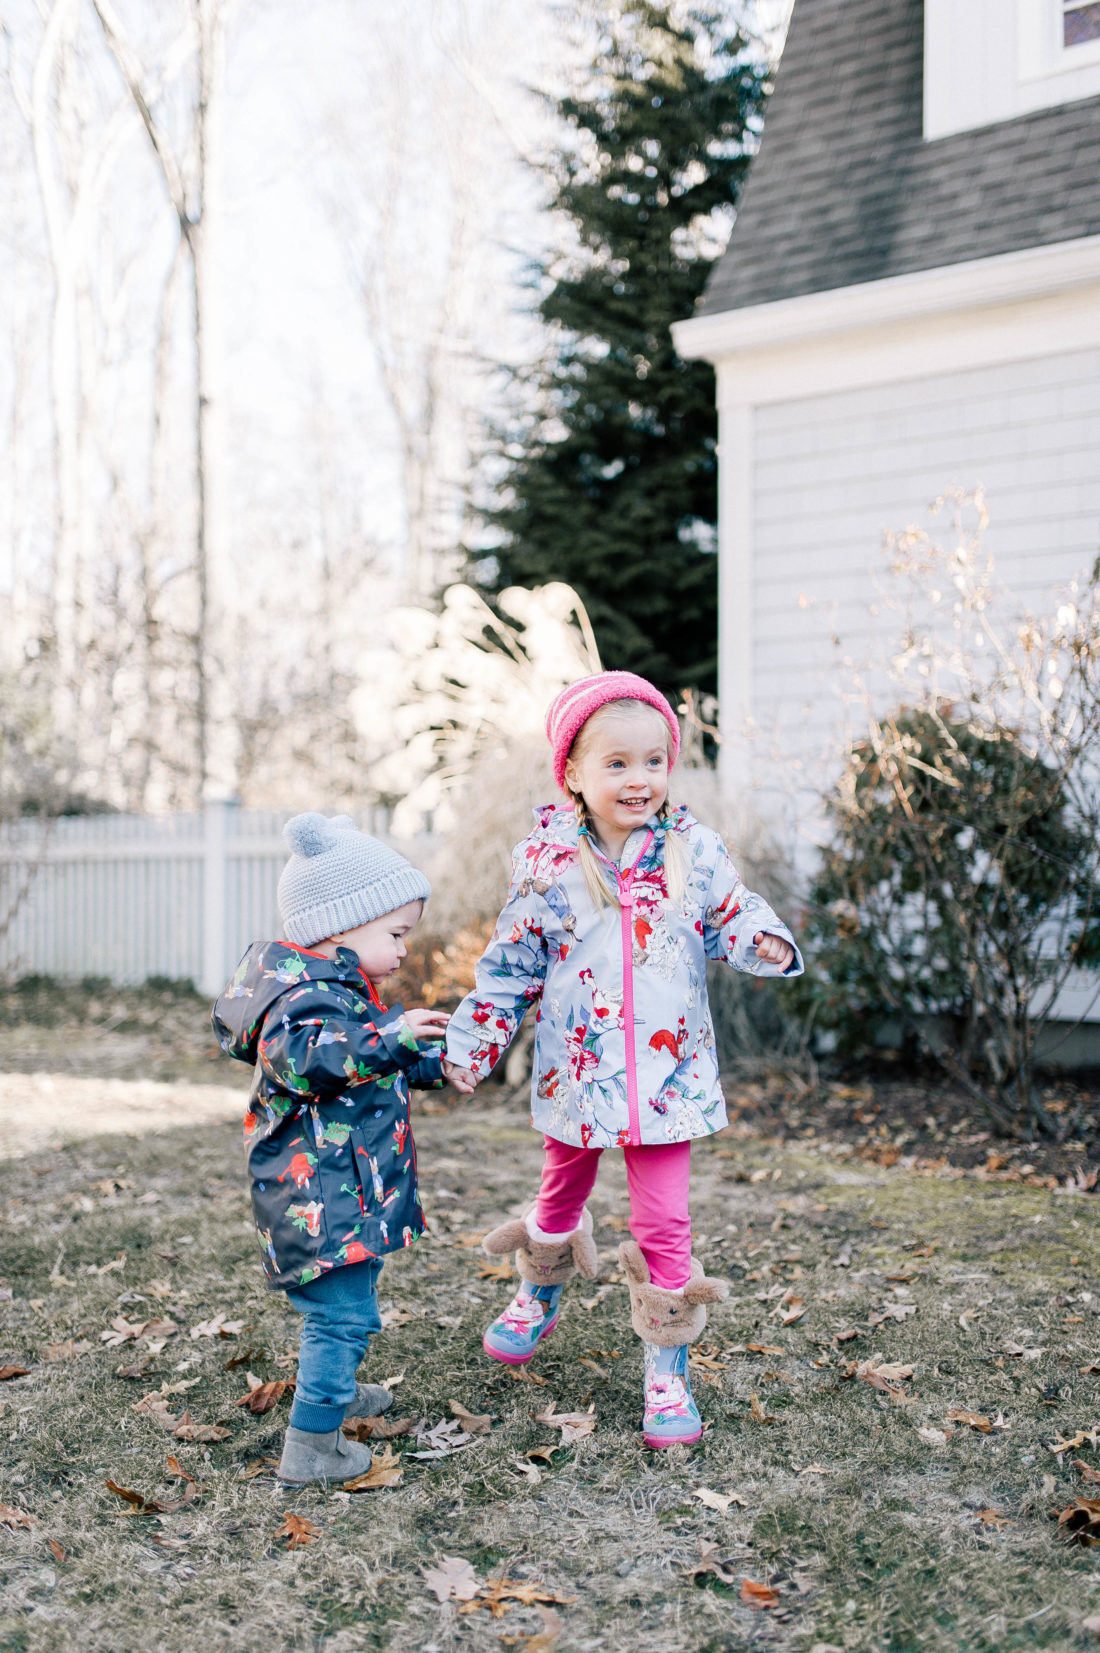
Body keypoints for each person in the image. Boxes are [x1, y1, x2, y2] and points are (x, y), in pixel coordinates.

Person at [442, 671, 803, 1448]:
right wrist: (475, 1040)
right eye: (617, 763)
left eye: (653, 761)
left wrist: (762, 939)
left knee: (664, 1221)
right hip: (579, 1070)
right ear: (572, 771)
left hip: (670, 1076)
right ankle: (539, 1290)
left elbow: (730, 912)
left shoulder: (691, 849)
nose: (638, 779)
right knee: (561, 1190)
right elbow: (509, 966)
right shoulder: (547, 866)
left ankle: (667, 1369)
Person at [212, 811, 448, 1486]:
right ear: (339, 927)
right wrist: (393, 1036)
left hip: (345, 1183)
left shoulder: (339, 987)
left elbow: (365, 1064)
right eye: (396, 932)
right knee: (341, 1314)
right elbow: (312, 1061)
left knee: (355, 1294)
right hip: (315, 1194)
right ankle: (312, 1447)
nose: (405, 948)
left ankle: (334, 1394)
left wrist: (431, 1063)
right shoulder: (302, 999)